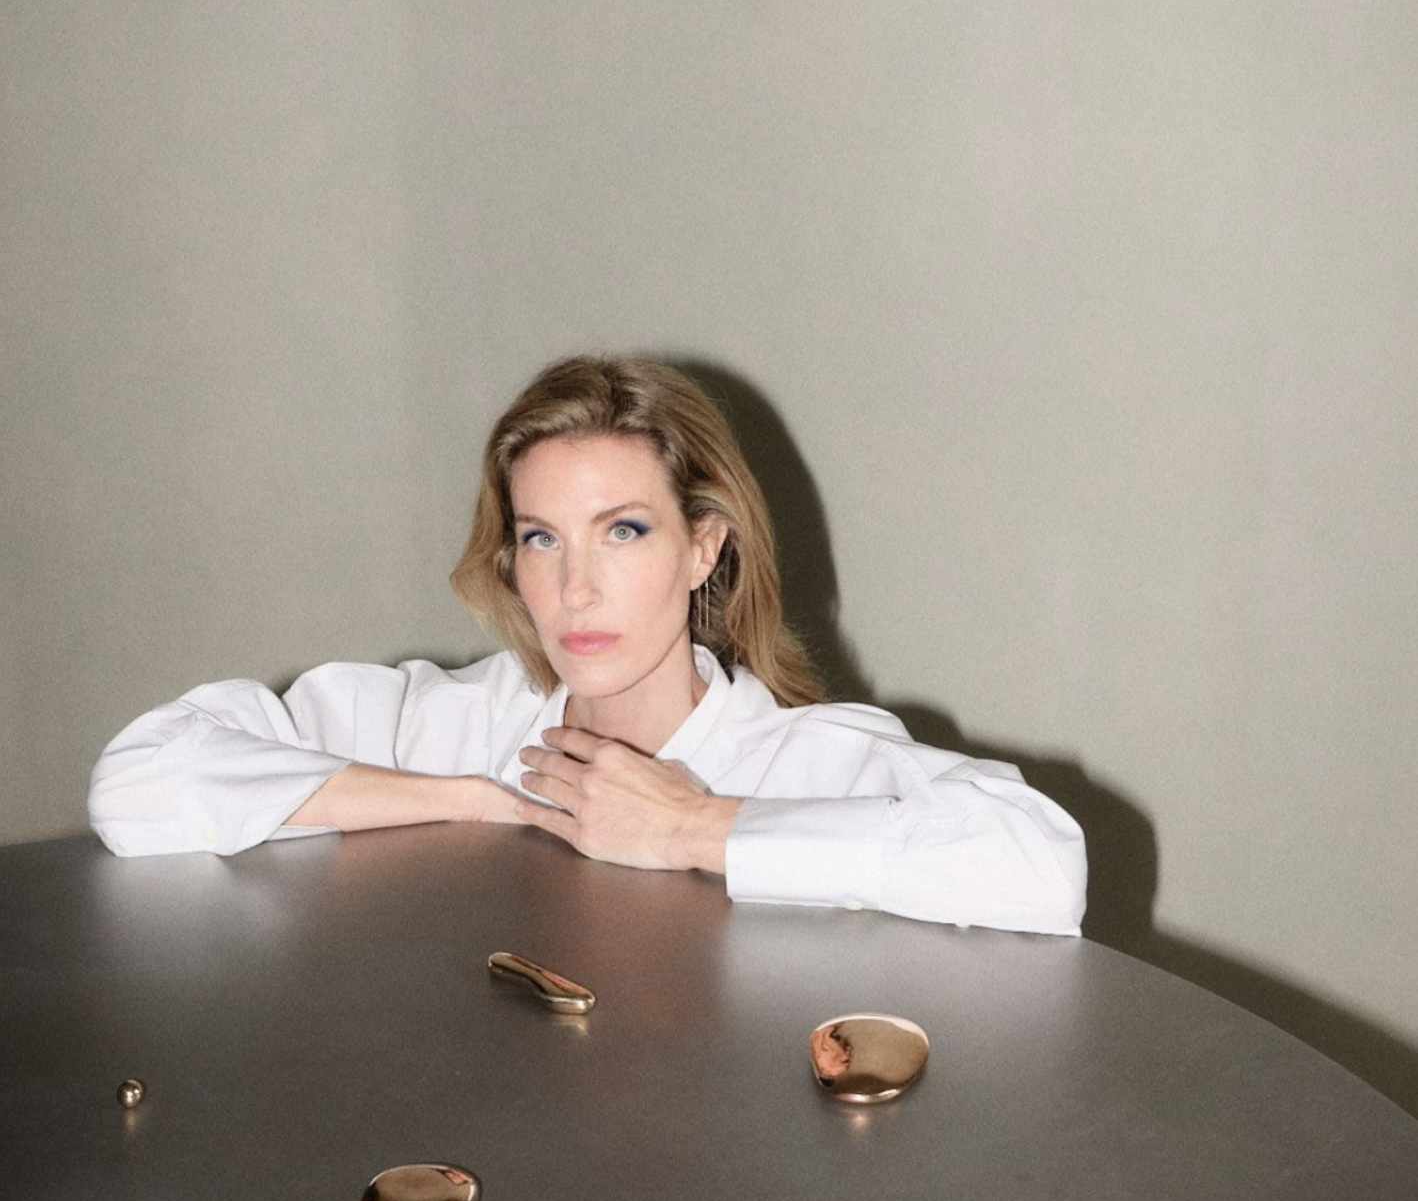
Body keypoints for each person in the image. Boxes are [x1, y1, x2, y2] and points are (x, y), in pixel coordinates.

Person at [89, 357, 1086, 933]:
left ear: (702, 545)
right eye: (539, 538)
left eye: (622, 530)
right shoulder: (461, 720)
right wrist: (477, 800)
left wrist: (693, 828)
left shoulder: (799, 754)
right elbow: (140, 777)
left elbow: (1041, 863)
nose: (575, 588)